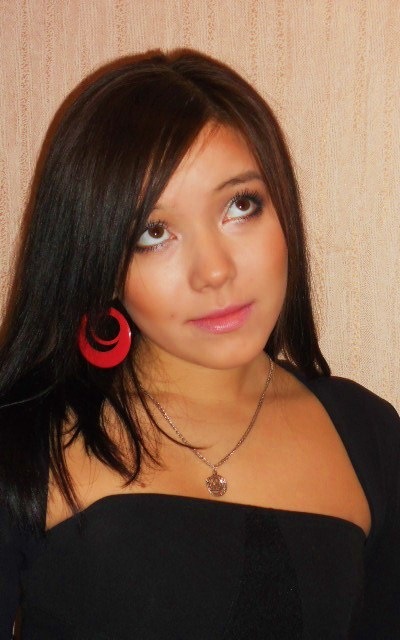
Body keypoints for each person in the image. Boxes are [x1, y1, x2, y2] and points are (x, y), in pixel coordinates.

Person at [0, 49, 399, 640]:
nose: (214, 271)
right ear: (98, 259)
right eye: (154, 232)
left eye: (241, 205)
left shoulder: (369, 435)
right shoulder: (25, 436)